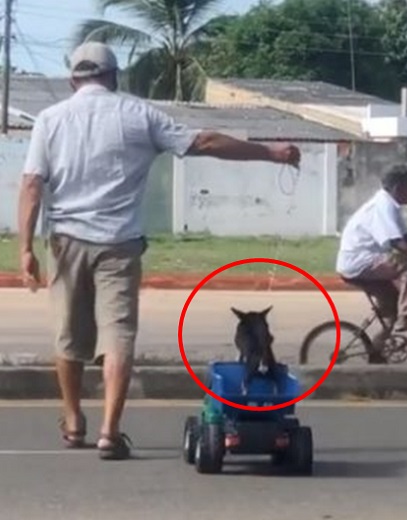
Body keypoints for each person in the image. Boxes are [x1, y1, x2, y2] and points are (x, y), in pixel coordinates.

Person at [16, 42, 301, 461]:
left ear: (73, 79)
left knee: (69, 334)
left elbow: (31, 185)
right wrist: (271, 153)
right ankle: (110, 431)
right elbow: (203, 142)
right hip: (120, 244)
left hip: (66, 241)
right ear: (114, 76)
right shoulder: (138, 115)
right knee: (118, 337)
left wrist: (24, 248)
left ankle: (74, 420)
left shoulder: (50, 120)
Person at [335, 165, 407, 363]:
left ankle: (376, 354)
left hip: (363, 262)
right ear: (396, 188)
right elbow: (397, 243)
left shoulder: (391, 206)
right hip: (358, 262)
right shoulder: (383, 206)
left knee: (389, 311)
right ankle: (406, 316)